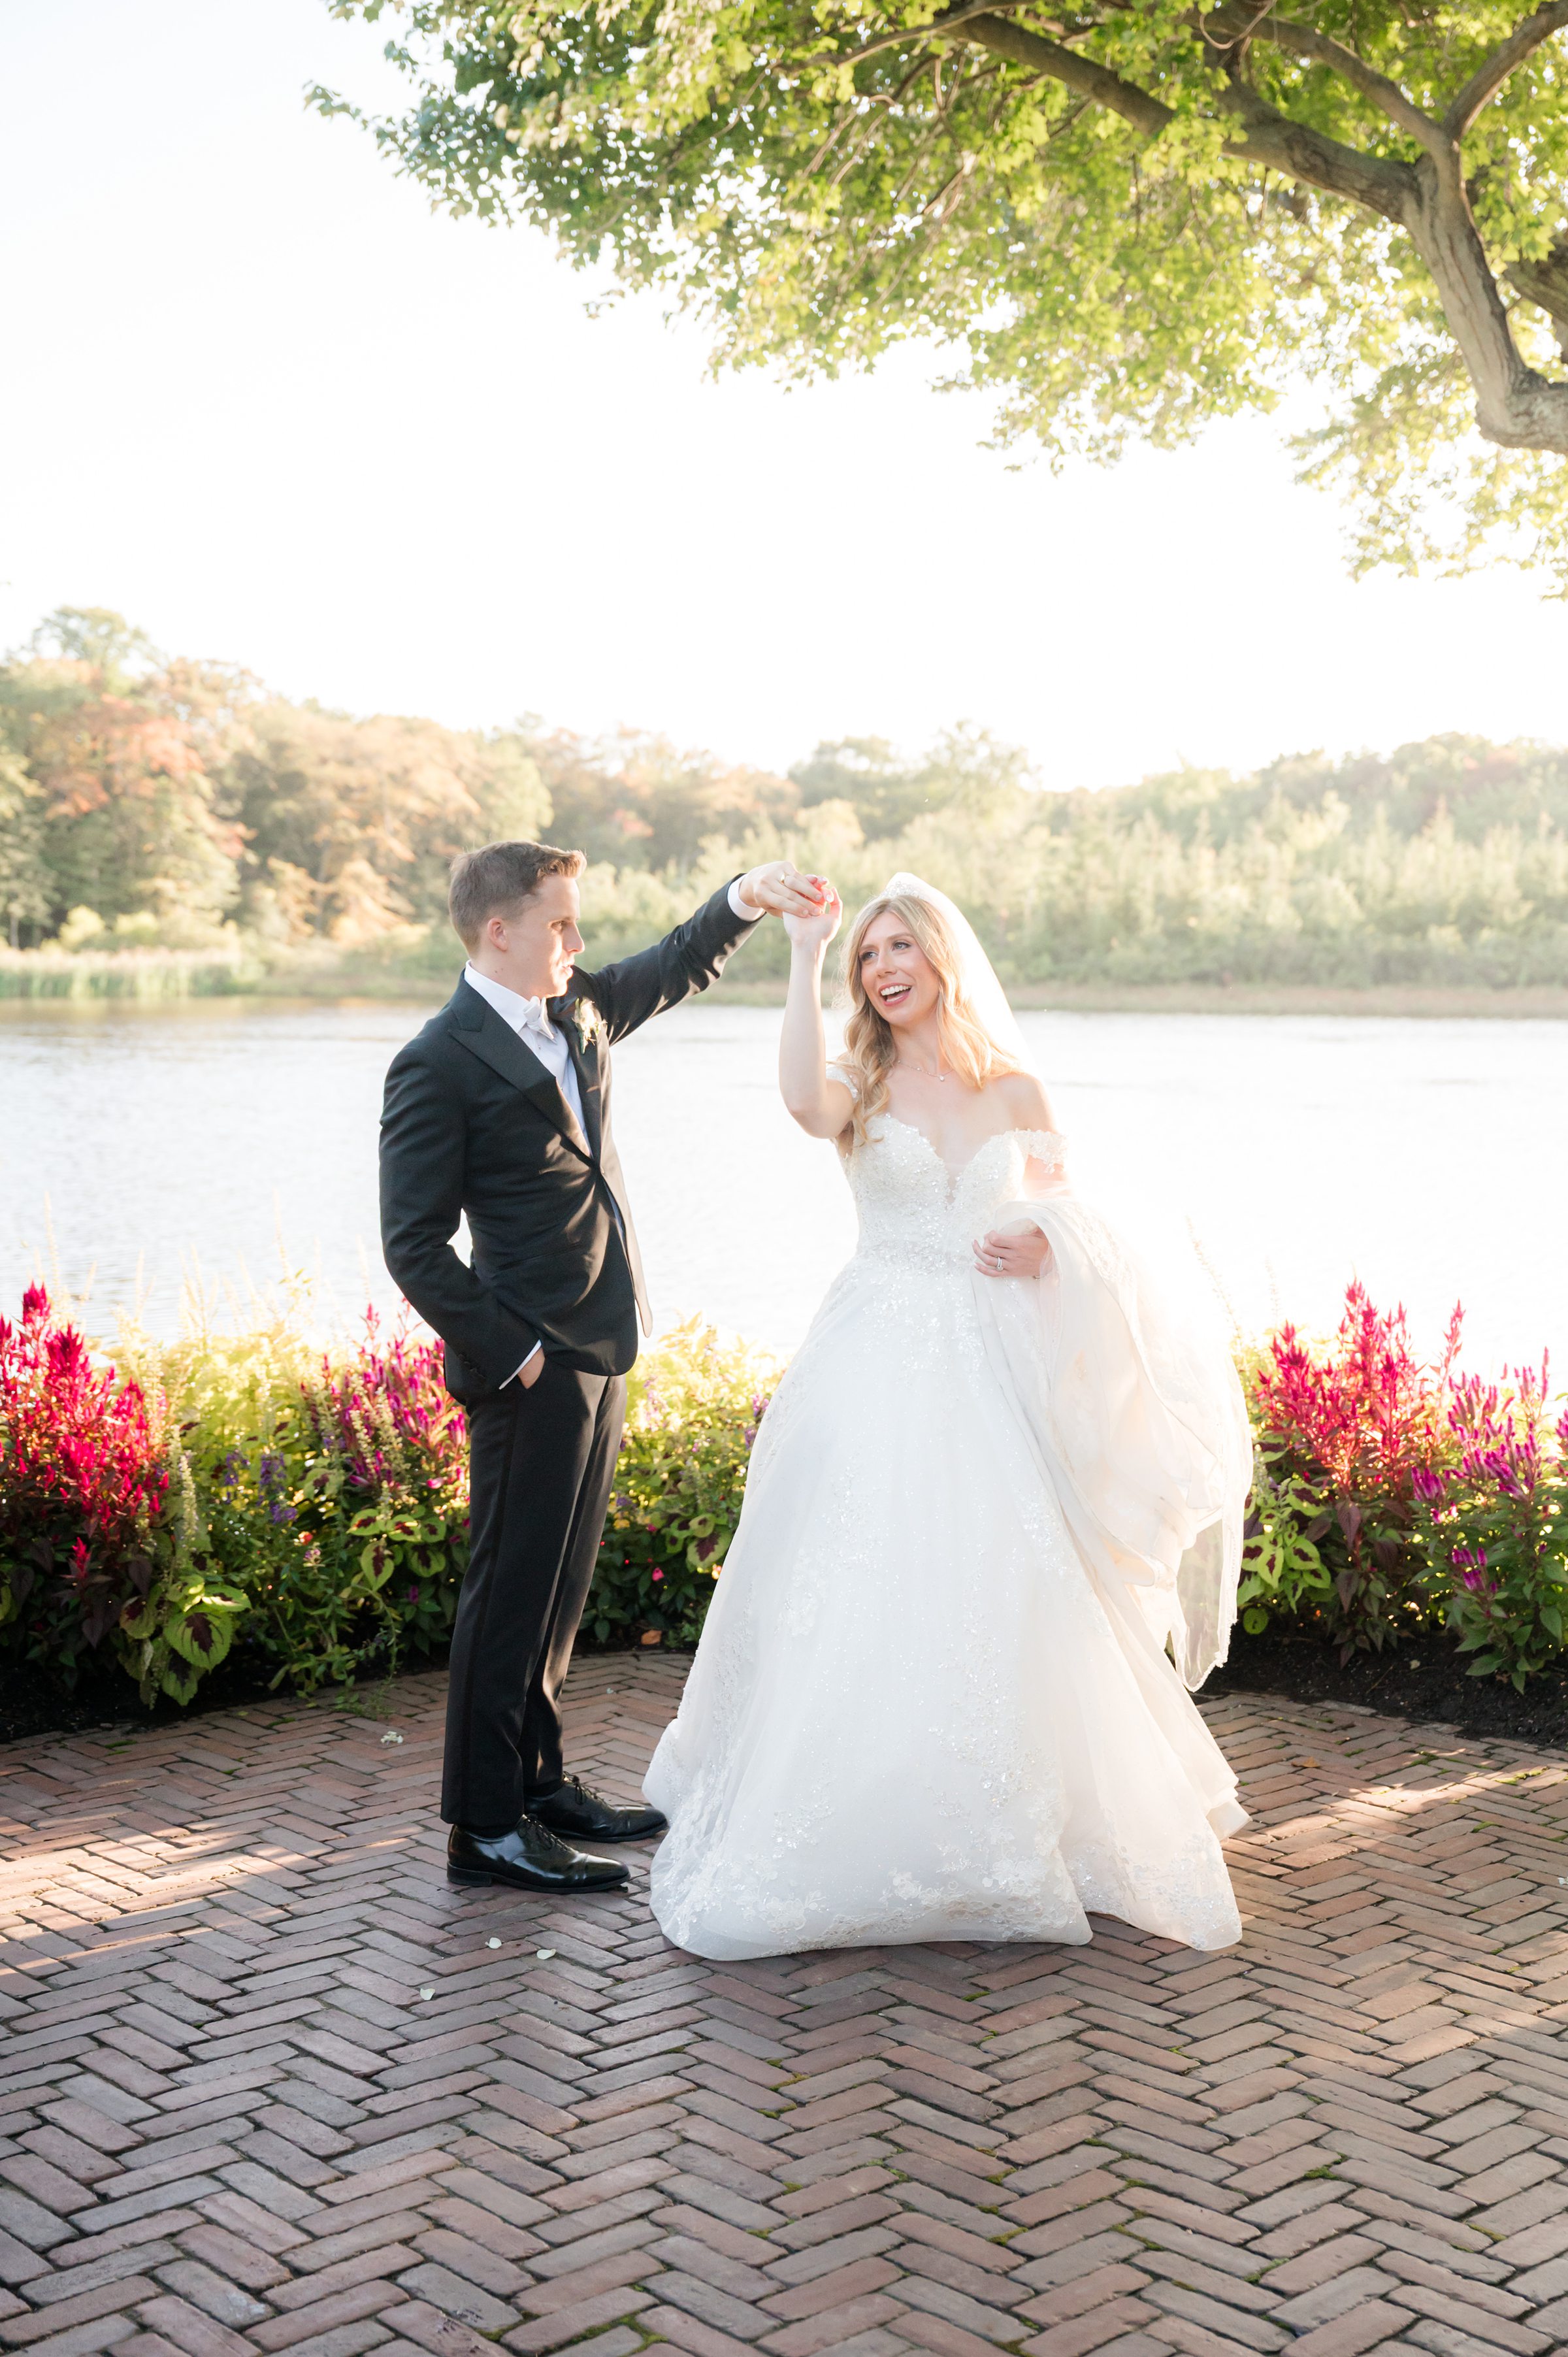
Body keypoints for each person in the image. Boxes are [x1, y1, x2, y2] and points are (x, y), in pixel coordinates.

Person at [644, 872, 1254, 1958]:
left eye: (898, 951)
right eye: (868, 958)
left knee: (1006, 1582)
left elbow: (1085, 1216)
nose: (883, 972)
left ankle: (1010, 1822)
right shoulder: (853, 1085)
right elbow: (796, 1108)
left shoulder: (1016, 1088)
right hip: (873, 1352)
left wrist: (1049, 1243)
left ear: (939, 960)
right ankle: (849, 1809)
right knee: (859, 1576)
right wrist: (800, 955)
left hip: (990, 1360)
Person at [380, 839, 826, 1896]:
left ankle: (538, 1786)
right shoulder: (436, 1062)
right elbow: (413, 1245)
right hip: (529, 1365)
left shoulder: (574, 1011)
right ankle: (484, 1830)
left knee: (561, 1589)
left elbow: (667, 966)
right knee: (507, 1595)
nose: (577, 942)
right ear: (501, 930)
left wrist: (743, 902)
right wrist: (519, 1352)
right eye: (561, 924)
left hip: (602, 1343)